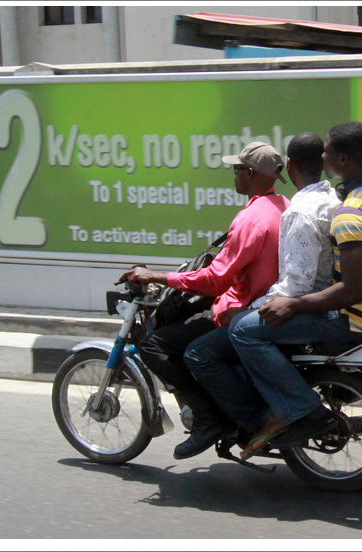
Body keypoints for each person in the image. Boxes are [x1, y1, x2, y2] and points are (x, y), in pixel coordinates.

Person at [224, 121, 362, 459]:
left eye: (325, 152)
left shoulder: (350, 213)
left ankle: (299, 408)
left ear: (340, 159)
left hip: (353, 318)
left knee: (243, 331)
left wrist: (293, 306)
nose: (320, 158)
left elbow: (351, 291)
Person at [117, 141, 290, 460]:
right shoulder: (282, 205)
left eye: (236, 169)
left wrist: (157, 276)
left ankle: (209, 418)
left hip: (246, 308)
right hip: (263, 301)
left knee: (155, 345)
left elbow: (215, 279)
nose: (233, 176)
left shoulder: (251, 219)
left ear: (250, 173)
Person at [182, 131, 342, 460]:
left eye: (239, 169)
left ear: (293, 166)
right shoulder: (326, 199)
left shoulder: (298, 211)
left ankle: (285, 412)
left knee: (234, 334)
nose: (236, 175)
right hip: (321, 300)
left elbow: (296, 285)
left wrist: (248, 309)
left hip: (308, 307)